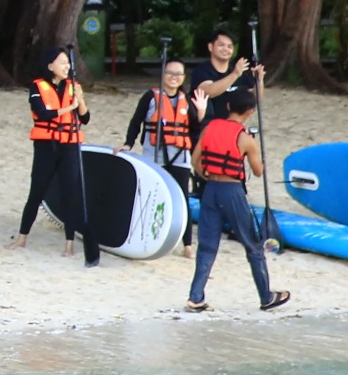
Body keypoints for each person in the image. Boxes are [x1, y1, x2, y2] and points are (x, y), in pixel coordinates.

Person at [188, 86, 288, 312]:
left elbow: (195, 160)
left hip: (210, 189)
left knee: (207, 245)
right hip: (232, 191)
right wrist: (256, 151)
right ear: (250, 112)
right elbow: (259, 171)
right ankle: (266, 297)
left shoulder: (210, 127)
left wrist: (207, 175)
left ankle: (196, 297)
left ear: (228, 106)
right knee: (252, 245)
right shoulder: (245, 139)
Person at [12, 44, 97, 264]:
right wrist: (70, 107)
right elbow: (43, 113)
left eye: (68, 63)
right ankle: (21, 239)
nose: (66, 66)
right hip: (46, 146)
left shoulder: (73, 87)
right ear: (50, 66)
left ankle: (69, 244)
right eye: (62, 63)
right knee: (37, 191)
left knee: (70, 194)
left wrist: (81, 101)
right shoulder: (36, 87)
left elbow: (85, 119)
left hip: (69, 146)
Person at [123, 57, 198, 254]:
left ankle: (187, 244)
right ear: (163, 75)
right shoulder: (150, 97)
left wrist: (202, 113)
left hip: (180, 157)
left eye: (178, 74)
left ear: (183, 77)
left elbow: (194, 130)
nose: (174, 77)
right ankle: (143, 238)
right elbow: (135, 122)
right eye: (170, 73)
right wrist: (128, 143)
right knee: (150, 197)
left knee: (182, 199)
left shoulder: (187, 101)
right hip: (154, 155)